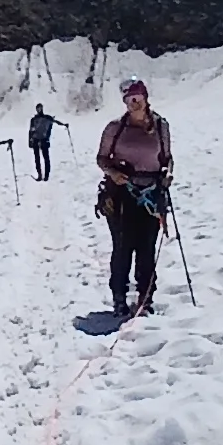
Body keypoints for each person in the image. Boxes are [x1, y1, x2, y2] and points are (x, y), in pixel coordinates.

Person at [96, 77, 172, 318]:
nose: (133, 103)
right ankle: (119, 297)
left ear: (145, 97)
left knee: (147, 247)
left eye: (137, 98)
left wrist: (168, 174)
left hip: (151, 195)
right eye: (129, 99)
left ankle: (145, 296)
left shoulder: (161, 126)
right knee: (123, 247)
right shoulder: (115, 128)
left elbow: (167, 158)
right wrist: (113, 173)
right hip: (121, 195)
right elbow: (102, 158)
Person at [28, 103, 55, 180]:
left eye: (40, 108)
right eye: (38, 108)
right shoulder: (33, 120)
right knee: (37, 159)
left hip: (44, 140)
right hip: (36, 140)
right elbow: (31, 131)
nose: (39, 110)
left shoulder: (47, 118)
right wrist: (30, 141)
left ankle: (46, 175)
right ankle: (39, 175)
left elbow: (54, 123)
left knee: (46, 158)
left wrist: (64, 125)